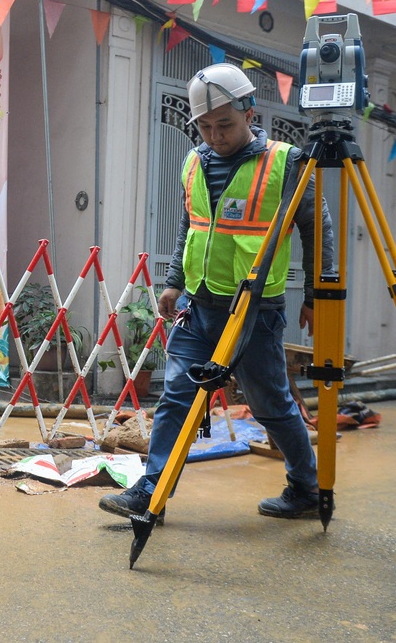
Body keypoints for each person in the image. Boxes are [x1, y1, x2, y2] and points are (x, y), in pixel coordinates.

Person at [99, 63, 335, 521]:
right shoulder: (192, 162)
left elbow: (316, 226)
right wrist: (173, 284)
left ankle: (306, 487)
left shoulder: (285, 163)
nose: (215, 135)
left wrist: (315, 294)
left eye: (224, 124)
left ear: (249, 113)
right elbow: (190, 225)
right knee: (175, 398)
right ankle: (152, 492)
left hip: (255, 310)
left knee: (270, 405)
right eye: (205, 126)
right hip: (198, 306)